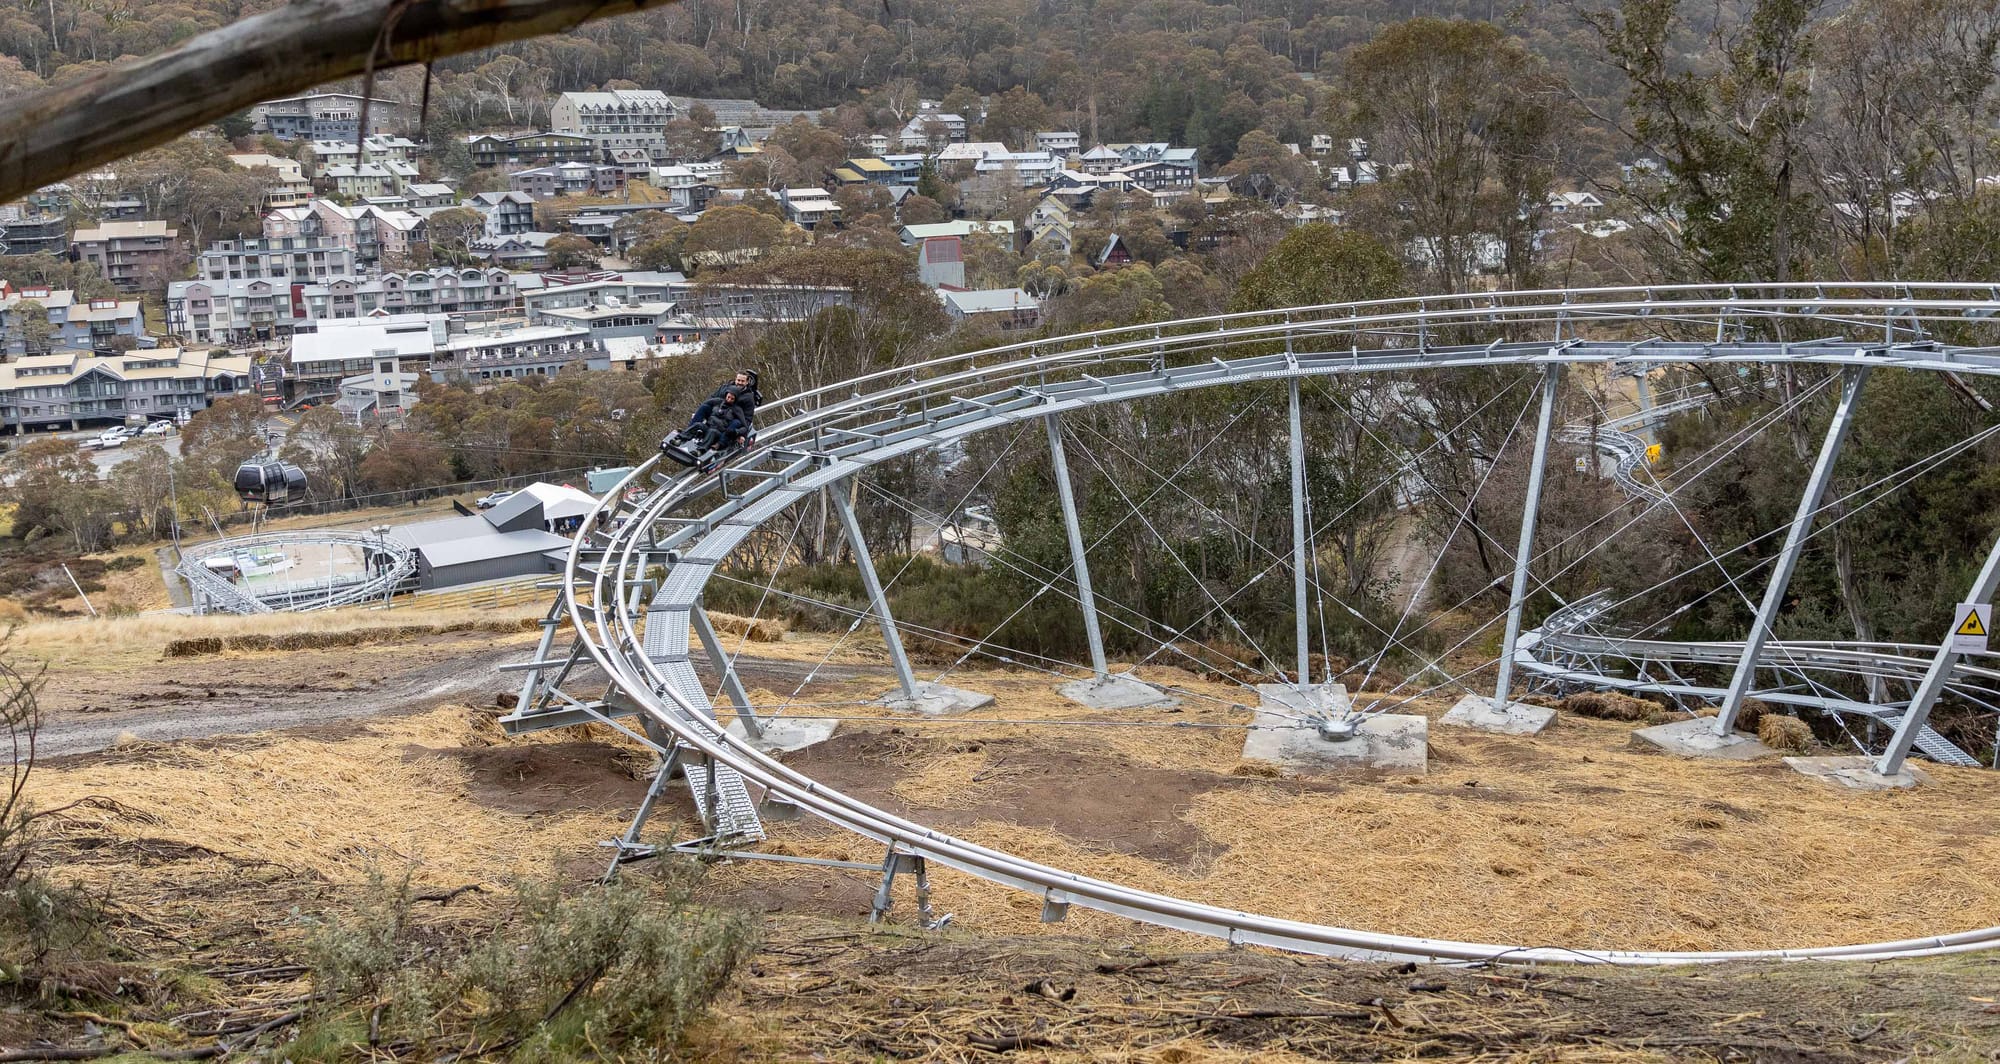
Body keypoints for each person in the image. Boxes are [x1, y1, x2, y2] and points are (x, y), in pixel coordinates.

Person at [679, 370, 763, 439]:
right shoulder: (725, 387)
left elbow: (748, 418)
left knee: (736, 422)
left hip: (730, 419)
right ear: (735, 379)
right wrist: (697, 413)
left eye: (742, 381)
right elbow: (711, 398)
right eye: (738, 380)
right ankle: (689, 430)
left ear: (747, 382)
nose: (739, 383)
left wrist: (742, 435)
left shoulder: (748, 398)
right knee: (704, 407)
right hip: (716, 412)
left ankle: (721, 441)